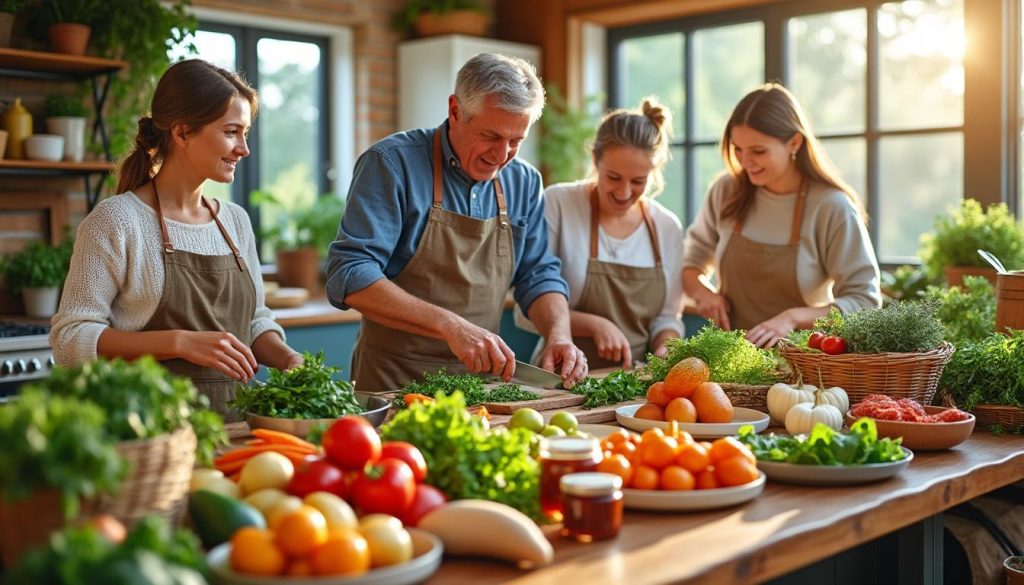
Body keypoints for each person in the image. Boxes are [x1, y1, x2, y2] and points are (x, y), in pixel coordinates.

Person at [50, 59, 303, 419]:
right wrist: (178, 342)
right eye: (232, 132)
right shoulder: (116, 221)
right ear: (182, 133)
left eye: (245, 133)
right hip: (148, 432)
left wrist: (288, 358)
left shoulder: (235, 222)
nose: (244, 149)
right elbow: (70, 339)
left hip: (235, 429)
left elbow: (254, 321)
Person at [325, 53, 587, 392]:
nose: (501, 154)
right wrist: (449, 325)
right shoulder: (391, 164)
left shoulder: (524, 182)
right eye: (491, 136)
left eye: (516, 141)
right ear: (455, 111)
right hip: (394, 383)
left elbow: (537, 273)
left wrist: (558, 335)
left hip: (483, 389)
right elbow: (350, 274)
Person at [682, 82, 881, 348]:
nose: (744, 161)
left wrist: (792, 318)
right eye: (738, 149)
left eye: (758, 151)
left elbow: (864, 302)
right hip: (732, 359)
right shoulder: (726, 191)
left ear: (794, 143)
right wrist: (703, 293)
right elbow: (690, 264)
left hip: (803, 367)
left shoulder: (831, 207)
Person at [516, 97, 684, 369]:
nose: (624, 192)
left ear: (653, 172)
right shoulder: (560, 203)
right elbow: (524, 312)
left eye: (638, 181)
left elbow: (667, 318)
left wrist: (666, 351)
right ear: (595, 159)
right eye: (614, 177)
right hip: (559, 376)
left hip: (634, 384)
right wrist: (594, 325)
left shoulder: (666, 227)